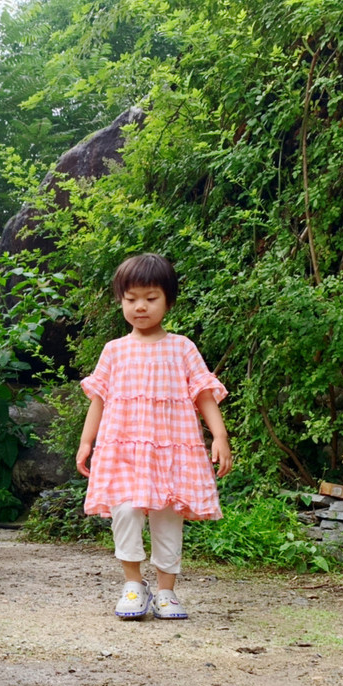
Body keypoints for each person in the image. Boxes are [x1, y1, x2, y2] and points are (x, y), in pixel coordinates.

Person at [76, 253, 231, 620]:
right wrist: (87, 442)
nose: (140, 307)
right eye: (131, 299)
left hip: (172, 451)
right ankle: (133, 585)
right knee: (125, 511)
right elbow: (98, 400)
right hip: (123, 448)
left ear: (168, 300)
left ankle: (166, 592)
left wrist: (220, 436)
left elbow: (204, 394)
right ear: (121, 301)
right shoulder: (114, 350)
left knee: (167, 516)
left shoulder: (182, 348)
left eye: (150, 298)